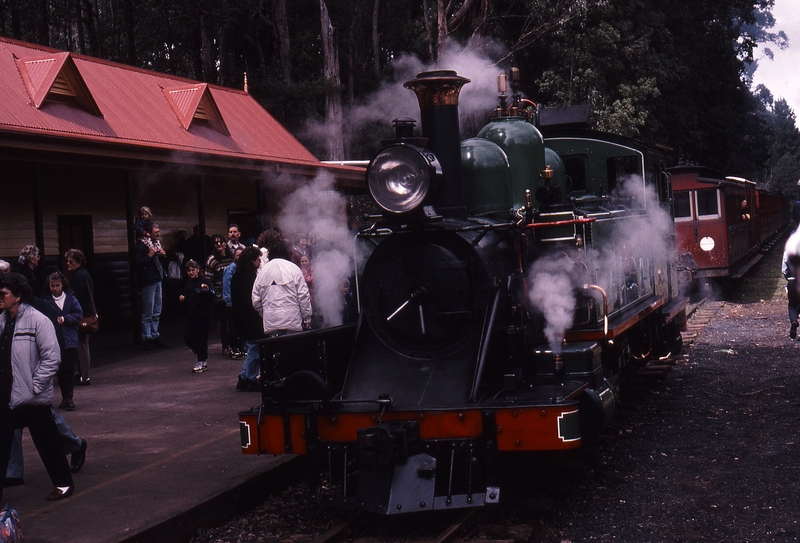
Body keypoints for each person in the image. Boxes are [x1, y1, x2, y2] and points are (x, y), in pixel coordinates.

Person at [0, 273, 75, 501]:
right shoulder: (1, 321)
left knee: (48, 442)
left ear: (19, 296)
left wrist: (34, 386)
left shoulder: (38, 321)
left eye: (3, 294)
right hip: (6, 395)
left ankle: (64, 484)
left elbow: (52, 358)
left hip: (32, 397)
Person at [251, 240, 312, 337]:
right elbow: (303, 296)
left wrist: (266, 312)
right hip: (293, 321)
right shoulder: (294, 269)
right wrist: (306, 317)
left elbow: (256, 300)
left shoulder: (262, 272)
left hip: (271, 323)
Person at [42, 271, 83, 410]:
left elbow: (79, 314)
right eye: (52, 285)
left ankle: (69, 396)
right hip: (55, 337)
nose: (54, 288)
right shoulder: (47, 301)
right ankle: (64, 395)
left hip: (69, 336)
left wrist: (65, 319)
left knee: (69, 367)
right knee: (59, 368)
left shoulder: (71, 298)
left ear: (62, 285)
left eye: (57, 285)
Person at [231, 247, 264, 391]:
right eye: (258, 260)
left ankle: (244, 376)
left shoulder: (238, 275)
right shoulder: (250, 277)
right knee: (254, 349)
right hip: (250, 318)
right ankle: (248, 378)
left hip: (242, 317)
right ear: (252, 261)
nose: (259, 262)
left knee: (253, 348)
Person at [133, 220, 168, 350]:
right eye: (156, 232)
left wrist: (163, 256)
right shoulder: (141, 246)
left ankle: (155, 336)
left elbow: (160, 263)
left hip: (158, 278)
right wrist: (149, 255)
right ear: (148, 233)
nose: (158, 234)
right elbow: (137, 263)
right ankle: (147, 338)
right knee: (148, 311)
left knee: (157, 311)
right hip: (148, 281)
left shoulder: (156, 244)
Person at [65, 248, 96, 385]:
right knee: (83, 345)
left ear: (78, 262)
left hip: (81, 313)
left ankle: (85, 375)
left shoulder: (77, 276)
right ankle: (84, 374)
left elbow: (75, 296)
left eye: (71, 261)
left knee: (81, 345)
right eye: (67, 261)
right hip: (87, 311)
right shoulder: (84, 273)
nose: (68, 263)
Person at [179, 261, 215, 373]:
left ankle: (202, 360)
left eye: (193, 270)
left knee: (201, 338)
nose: (191, 273)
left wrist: (206, 290)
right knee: (187, 336)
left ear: (198, 270)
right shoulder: (188, 284)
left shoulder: (204, 281)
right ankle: (199, 352)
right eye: (189, 271)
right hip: (191, 314)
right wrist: (183, 298)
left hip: (202, 315)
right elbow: (187, 297)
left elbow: (213, 294)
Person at [205, 234, 233, 355]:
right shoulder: (211, 260)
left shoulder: (231, 257)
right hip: (219, 295)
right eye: (216, 243)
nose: (219, 245)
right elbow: (208, 279)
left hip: (232, 293)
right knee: (222, 320)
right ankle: (225, 345)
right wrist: (213, 294)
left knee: (233, 320)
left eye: (221, 242)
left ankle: (235, 343)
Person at [222, 247, 245, 358]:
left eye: (242, 255)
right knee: (232, 326)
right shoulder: (230, 269)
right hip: (232, 302)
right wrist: (229, 301)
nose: (239, 257)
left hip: (241, 302)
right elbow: (227, 286)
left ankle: (240, 346)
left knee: (240, 325)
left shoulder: (244, 268)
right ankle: (233, 347)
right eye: (238, 254)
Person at [783, 228, 800, 339]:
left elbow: (784, 269)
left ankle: (794, 321)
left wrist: (788, 278)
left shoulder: (788, 252)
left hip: (792, 281)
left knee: (792, 306)